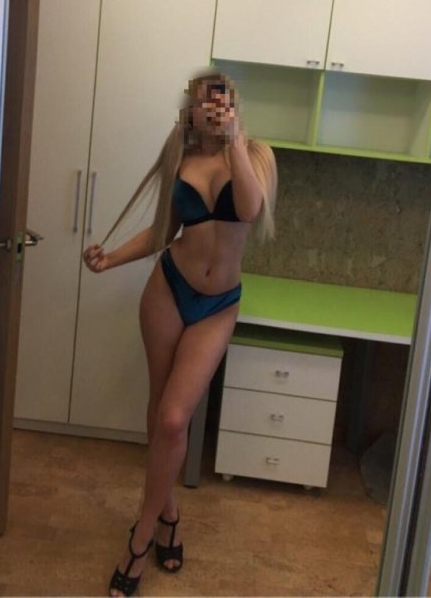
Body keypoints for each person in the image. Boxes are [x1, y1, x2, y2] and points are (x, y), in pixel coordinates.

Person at [82, 69, 277, 597]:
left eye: (220, 101)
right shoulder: (181, 155)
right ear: (190, 110)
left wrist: (233, 139)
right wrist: (110, 259)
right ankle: (167, 513)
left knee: (173, 417)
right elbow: (162, 232)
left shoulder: (256, 155)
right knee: (159, 411)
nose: (210, 109)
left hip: (217, 306)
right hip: (168, 290)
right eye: (201, 102)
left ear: (233, 107)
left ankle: (141, 538)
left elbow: (249, 209)